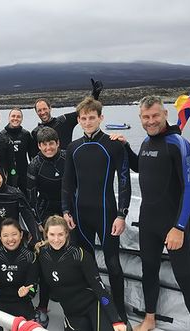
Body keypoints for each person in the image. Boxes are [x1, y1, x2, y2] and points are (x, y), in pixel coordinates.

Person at [113, 96, 190, 331]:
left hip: (173, 224)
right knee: (149, 271)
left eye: (155, 115)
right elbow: (140, 167)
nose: (151, 121)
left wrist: (180, 227)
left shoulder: (178, 144)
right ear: (140, 118)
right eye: (146, 117)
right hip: (149, 222)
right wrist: (125, 146)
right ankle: (149, 319)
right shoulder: (146, 142)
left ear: (165, 114)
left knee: (185, 278)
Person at [61, 97, 131, 323]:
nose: (88, 122)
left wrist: (122, 214)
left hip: (107, 213)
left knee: (112, 264)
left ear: (101, 118)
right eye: (84, 118)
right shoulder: (73, 147)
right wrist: (65, 211)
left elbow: (123, 181)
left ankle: (119, 311)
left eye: (92, 118)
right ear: (79, 120)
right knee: (85, 264)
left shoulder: (114, 145)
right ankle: (92, 307)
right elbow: (68, 183)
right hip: (80, 215)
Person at [36, 215, 126, 331]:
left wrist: (115, 319)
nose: (56, 239)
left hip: (92, 306)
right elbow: (44, 283)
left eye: (60, 234)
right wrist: (43, 306)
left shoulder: (80, 255)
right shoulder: (42, 255)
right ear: (46, 234)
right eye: (52, 234)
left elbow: (99, 288)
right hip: (72, 312)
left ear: (67, 234)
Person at [26, 126, 65, 320]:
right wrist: (39, 221)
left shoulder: (67, 158)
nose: (48, 148)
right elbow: (31, 196)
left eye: (52, 144)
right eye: (44, 144)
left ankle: (66, 295)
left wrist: (71, 213)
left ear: (58, 143)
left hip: (68, 211)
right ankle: (43, 304)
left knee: (68, 255)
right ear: (39, 145)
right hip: (47, 211)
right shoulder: (35, 164)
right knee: (47, 257)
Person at [0, 218, 38, 323]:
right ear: (0, 237)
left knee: (42, 320)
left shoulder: (30, 257)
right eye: (5, 235)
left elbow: (33, 288)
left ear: (21, 235)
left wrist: (27, 292)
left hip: (22, 303)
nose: (10, 239)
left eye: (14, 234)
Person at [30, 78, 103, 156]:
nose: (43, 112)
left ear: (50, 108)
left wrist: (95, 94)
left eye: (44, 109)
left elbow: (83, 110)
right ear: (36, 112)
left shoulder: (64, 121)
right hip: (48, 167)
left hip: (67, 163)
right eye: (39, 110)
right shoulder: (35, 132)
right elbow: (34, 156)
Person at [1, 107, 33, 194]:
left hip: (23, 171)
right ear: (9, 118)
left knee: (26, 195)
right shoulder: (2, 135)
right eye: (13, 116)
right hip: (8, 172)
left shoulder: (26, 135)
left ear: (22, 119)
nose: (15, 118)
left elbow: (32, 156)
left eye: (18, 117)